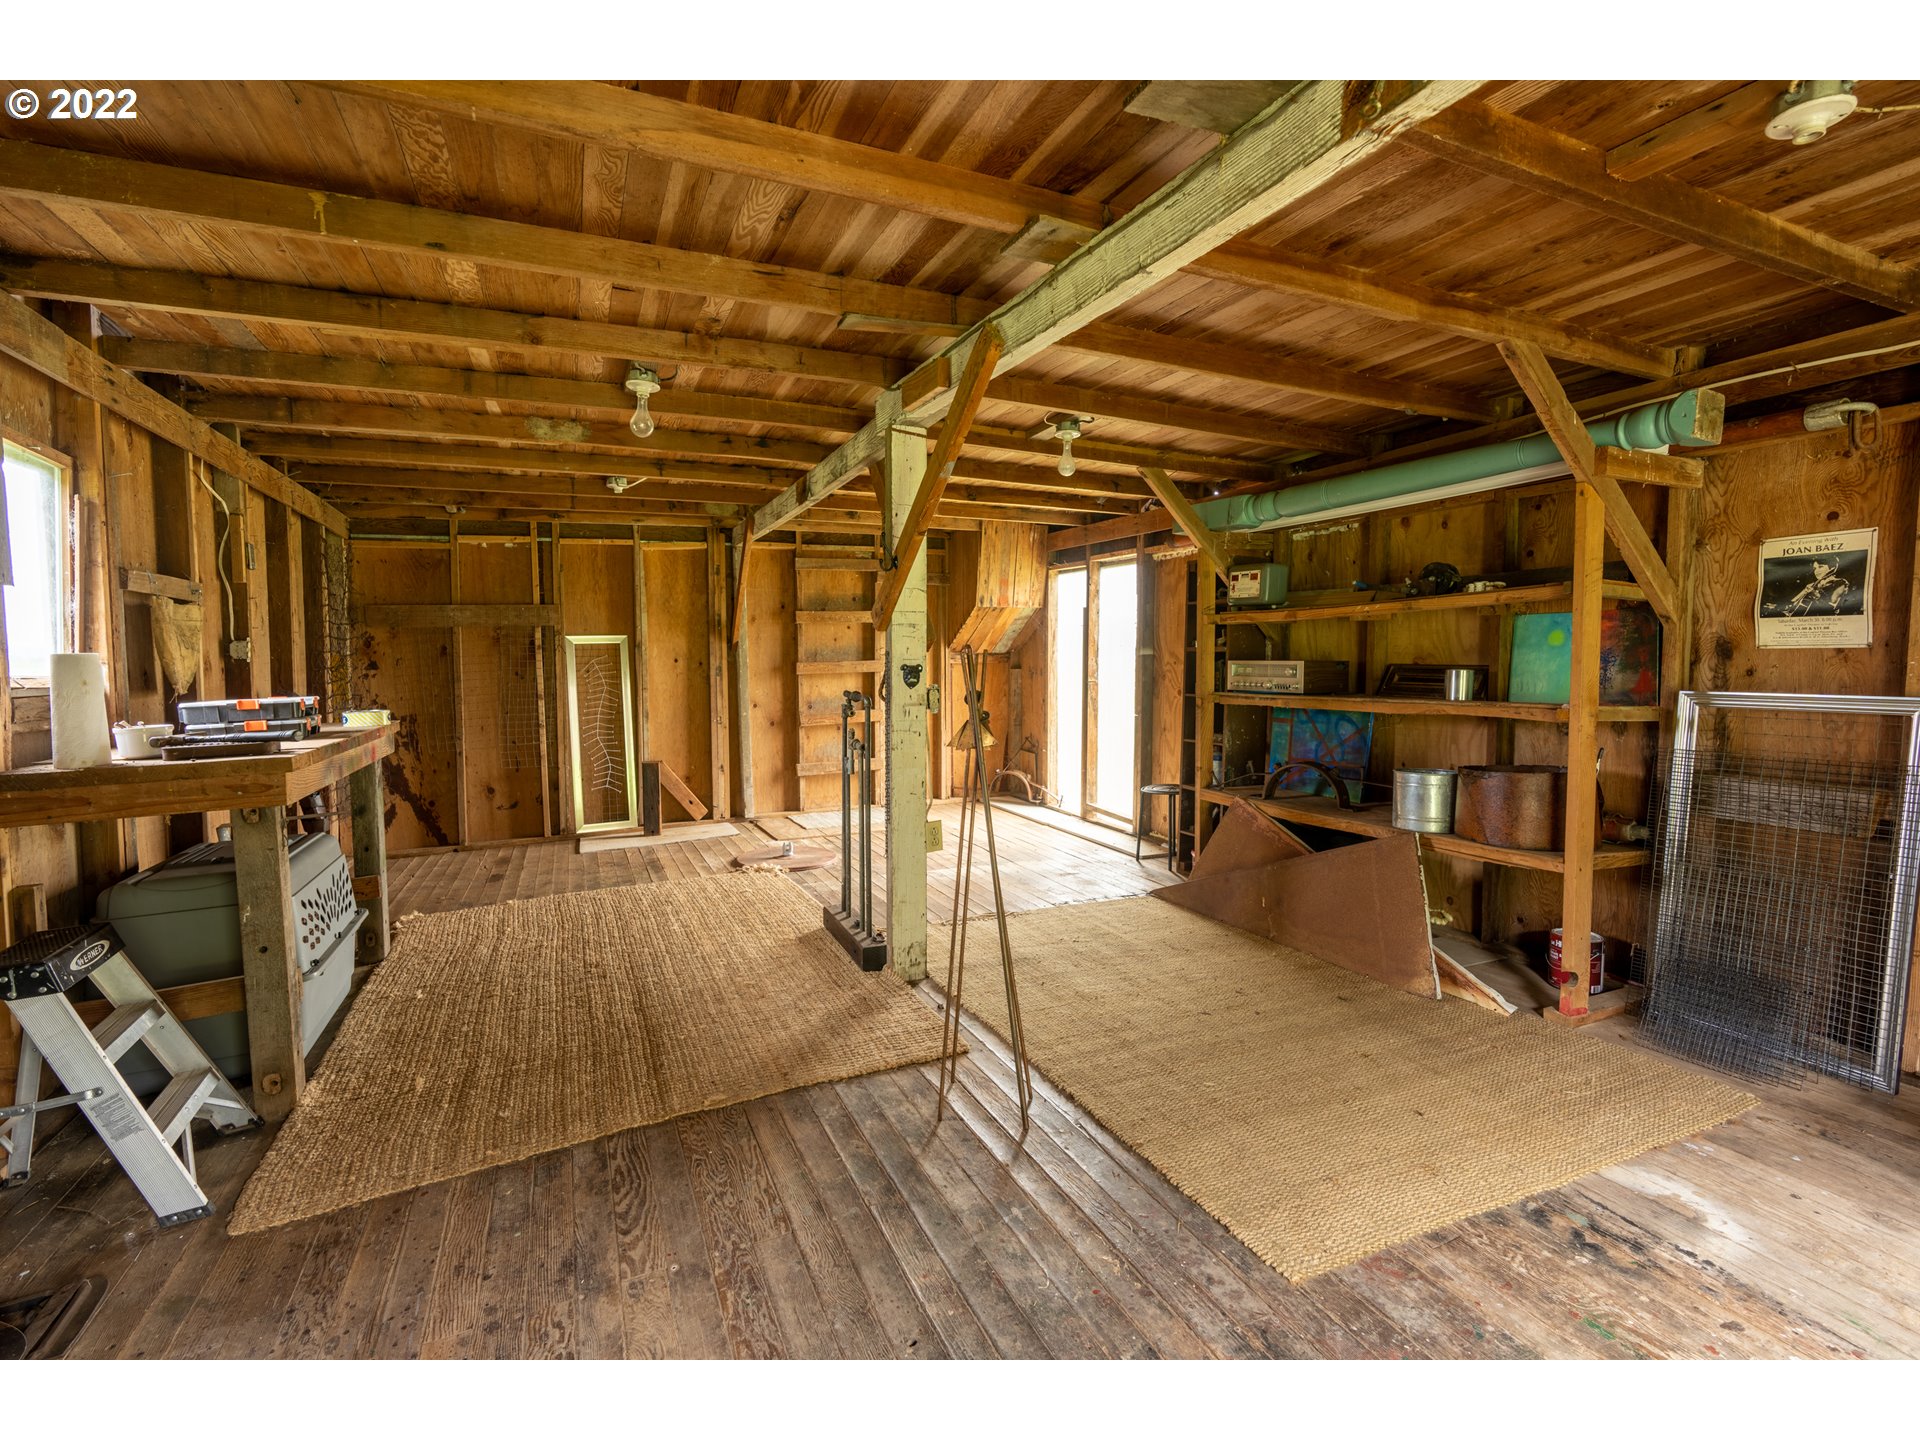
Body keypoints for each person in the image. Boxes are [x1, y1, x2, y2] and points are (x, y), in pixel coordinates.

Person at [1775, 556, 1852, 616]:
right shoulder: (1812, 585)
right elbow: (1792, 603)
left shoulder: (1840, 582)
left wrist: (1814, 593)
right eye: (1815, 568)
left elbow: (1832, 608)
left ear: (1832, 567)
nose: (1817, 571)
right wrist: (1778, 607)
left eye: (1820, 566)